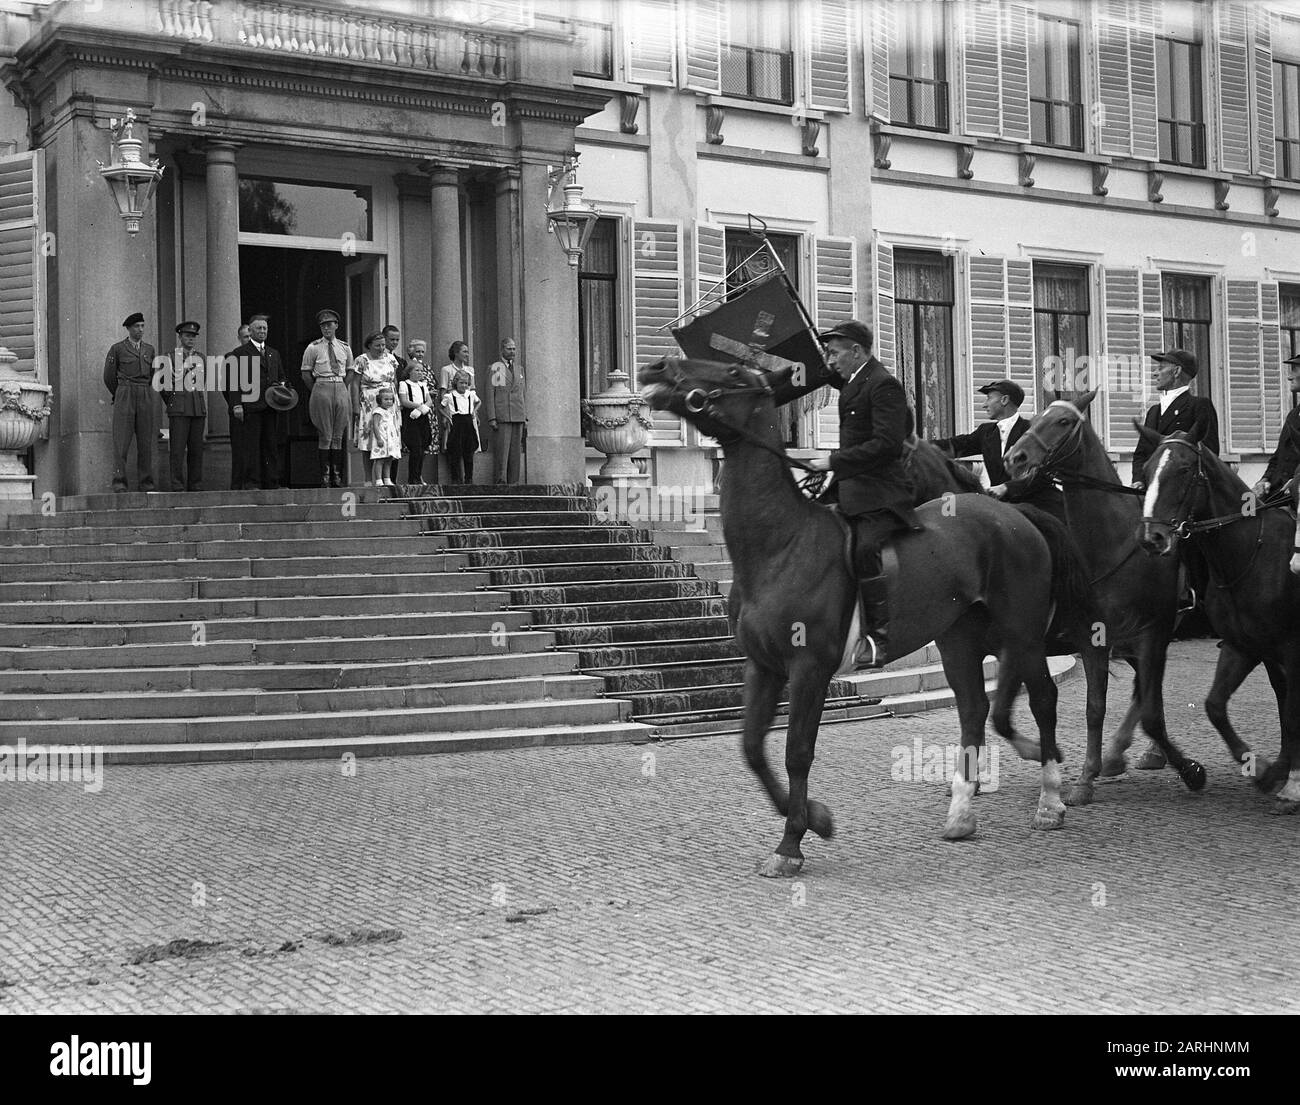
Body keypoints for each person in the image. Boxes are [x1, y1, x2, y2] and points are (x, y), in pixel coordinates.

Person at [807, 320, 920, 667]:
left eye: (836, 353)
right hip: (851, 485)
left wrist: (832, 460)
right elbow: (831, 377)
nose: (832, 359)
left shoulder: (884, 385)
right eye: (828, 353)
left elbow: (887, 445)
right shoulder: (856, 380)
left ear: (857, 351)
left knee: (864, 549)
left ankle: (877, 639)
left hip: (880, 493)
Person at [932, 379, 1063, 519]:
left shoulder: (1032, 431)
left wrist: (1007, 487)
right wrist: (917, 444)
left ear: (1004, 400)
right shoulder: (986, 432)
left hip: (1037, 506)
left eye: (989, 398)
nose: (984, 405)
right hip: (1002, 508)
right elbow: (955, 445)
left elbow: (1042, 475)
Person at [1131, 349, 1220, 490]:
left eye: (1161, 368)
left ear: (1176, 372)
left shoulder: (1199, 406)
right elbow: (1141, 454)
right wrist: (1138, 480)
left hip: (1181, 494)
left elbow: (1209, 453)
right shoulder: (1153, 412)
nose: (1155, 373)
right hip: (1150, 490)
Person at [224, 314, 288, 490]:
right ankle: (252, 482)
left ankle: (271, 481)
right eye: (258, 328)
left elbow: (281, 377)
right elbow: (233, 382)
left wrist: (283, 388)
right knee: (251, 446)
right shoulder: (239, 353)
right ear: (250, 331)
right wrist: (236, 405)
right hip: (250, 407)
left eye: (265, 328)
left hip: (270, 406)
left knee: (270, 445)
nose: (262, 331)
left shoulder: (274, 353)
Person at [102, 312, 159, 493]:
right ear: (128, 328)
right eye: (137, 326)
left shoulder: (149, 350)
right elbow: (109, 377)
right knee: (121, 442)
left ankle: (146, 483)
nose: (140, 330)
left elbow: (152, 374)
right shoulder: (118, 349)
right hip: (125, 392)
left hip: (144, 393)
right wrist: (119, 393)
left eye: (142, 326)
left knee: (145, 442)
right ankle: (119, 482)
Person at [301, 308, 354, 487]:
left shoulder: (345, 347)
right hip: (321, 385)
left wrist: (341, 387)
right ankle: (325, 475)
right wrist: (317, 389)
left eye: (329, 324)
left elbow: (350, 371)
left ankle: (336, 475)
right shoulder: (313, 347)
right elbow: (306, 373)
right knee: (325, 434)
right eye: (323, 325)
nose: (326, 328)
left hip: (339, 386)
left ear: (336, 325)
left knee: (338, 434)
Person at [157, 320, 207, 491]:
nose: (191, 339)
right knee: (177, 450)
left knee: (196, 450)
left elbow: (202, 381)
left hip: (197, 408)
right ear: (180, 337)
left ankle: (195, 485)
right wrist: (173, 401)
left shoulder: (200, 358)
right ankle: (177, 485)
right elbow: (163, 385)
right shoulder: (170, 357)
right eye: (187, 335)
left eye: (193, 336)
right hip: (178, 408)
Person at [351, 330, 400, 487]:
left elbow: (395, 381)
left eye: (383, 345)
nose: (381, 348)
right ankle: (368, 479)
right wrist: (355, 405)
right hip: (369, 402)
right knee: (369, 440)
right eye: (378, 345)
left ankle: (386, 478)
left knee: (389, 438)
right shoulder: (362, 360)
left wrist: (396, 402)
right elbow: (355, 384)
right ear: (369, 345)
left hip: (389, 402)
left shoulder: (390, 359)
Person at [1252, 352, 1300, 502]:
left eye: (1295, 370)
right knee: (1243, 512)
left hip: (1294, 494)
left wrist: (1296, 482)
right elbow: (1278, 456)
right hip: (1275, 491)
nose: (1289, 377)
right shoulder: (1293, 414)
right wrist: (1263, 480)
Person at [486, 337, 526, 484]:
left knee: (515, 453)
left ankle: (513, 482)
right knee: (502, 452)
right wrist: (492, 417)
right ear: (502, 350)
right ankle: (500, 481)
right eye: (509, 348)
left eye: (514, 348)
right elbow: (491, 393)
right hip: (503, 415)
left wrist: (525, 416)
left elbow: (523, 394)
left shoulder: (519, 369)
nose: (512, 351)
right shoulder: (497, 368)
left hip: (518, 414)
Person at [441, 369, 481, 484]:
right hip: (456, 422)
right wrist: (447, 416)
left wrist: (474, 411)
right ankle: (456, 479)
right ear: (456, 383)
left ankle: (469, 478)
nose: (463, 385)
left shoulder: (471, 395)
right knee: (455, 452)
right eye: (461, 383)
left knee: (469, 453)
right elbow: (441, 406)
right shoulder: (450, 396)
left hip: (468, 422)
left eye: (466, 383)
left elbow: (479, 402)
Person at [398, 361, 436, 484]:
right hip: (411, 417)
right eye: (417, 370)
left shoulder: (422, 385)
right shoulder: (404, 384)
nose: (420, 373)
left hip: (422, 416)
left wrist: (424, 408)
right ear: (410, 372)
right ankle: (412, 477)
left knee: (424, 444)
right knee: (415, 447)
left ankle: (418, 475)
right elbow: (404, 401)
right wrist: (419, 406)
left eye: (421, 370)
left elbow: (429, 400)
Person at [368, 388, 402, 486]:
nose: (388, 401)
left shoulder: (390, 411)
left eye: (390, 399)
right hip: (382, 438)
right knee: (380, 459)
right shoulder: (378, 412)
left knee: (388, 459)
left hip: (390, 440)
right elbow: (375, 425)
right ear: (379, 400)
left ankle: (387, 478)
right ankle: (379, 480)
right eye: (386, 399)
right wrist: (378, 438)